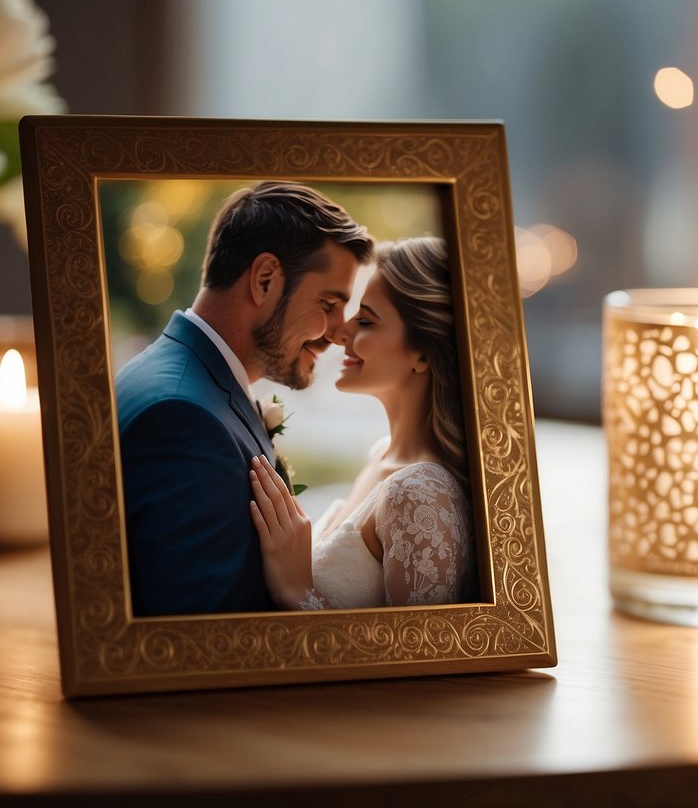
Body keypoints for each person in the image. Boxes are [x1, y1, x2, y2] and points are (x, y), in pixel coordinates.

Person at [116, 181, 373, 616]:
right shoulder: (181, 419)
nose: (336, 332)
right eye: (329, 304)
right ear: (265, 280)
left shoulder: (188, 382)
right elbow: (207, 640)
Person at [247, 237, 474, 610]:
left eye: (365, 320)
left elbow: (416, 656)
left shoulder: (420, 491)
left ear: (422, 354)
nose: (339, 333)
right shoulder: (381, 455)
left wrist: (296, 590)